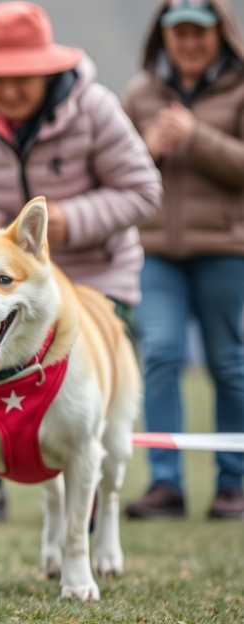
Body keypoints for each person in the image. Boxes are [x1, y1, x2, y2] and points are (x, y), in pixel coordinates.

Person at [0, 1, 162, 521]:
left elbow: (144, 190)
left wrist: (69, 219)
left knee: (80, 398)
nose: (8, 92)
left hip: (95, 277)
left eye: (21, 79)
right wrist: (6, 233)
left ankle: (89, 485)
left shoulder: (97, 108)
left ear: (49, 70)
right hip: (5, 283)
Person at [123, 0, 244, 520]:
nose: (190, 42)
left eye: (201, 32)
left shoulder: (239, 90)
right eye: (180, 33)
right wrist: (147, 147)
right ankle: (165, 484)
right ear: (163, 37)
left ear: (221, 34)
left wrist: (196, 138)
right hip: (156, 253)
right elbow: (118, 172)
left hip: (225, 249)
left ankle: (233, 485)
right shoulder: (139, 93)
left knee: (229, 363)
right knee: (160, 355)